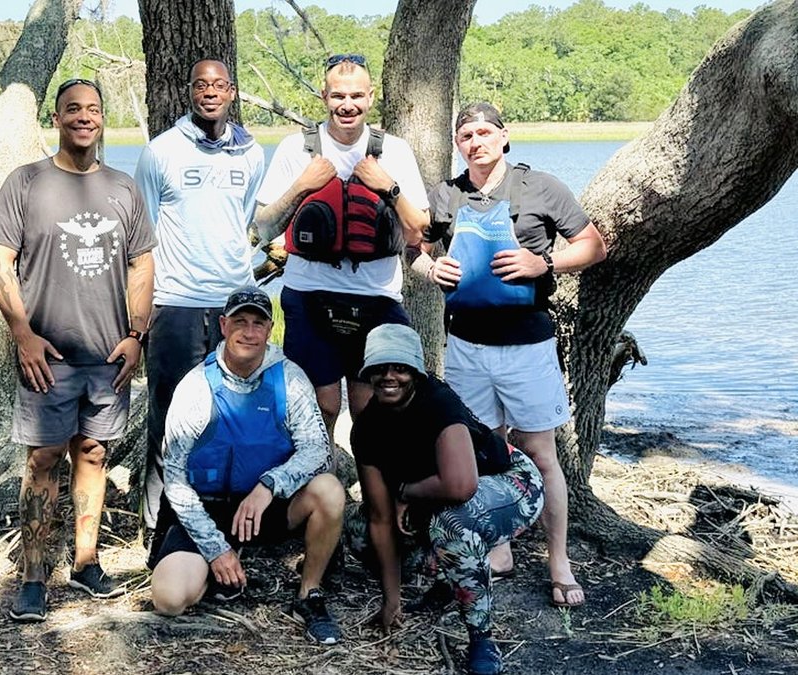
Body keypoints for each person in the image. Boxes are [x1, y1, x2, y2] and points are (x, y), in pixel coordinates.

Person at [412, 101, 607, 608]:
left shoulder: (540, 187)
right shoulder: (447, 194)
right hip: (467, 348)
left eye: (483, 132)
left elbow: (593, 246)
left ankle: (559, 562)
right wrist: (429, 271)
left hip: (528, 346)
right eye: (465, 135)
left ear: (504, 136)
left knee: (541, 453)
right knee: (486, 450)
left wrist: (543, 262)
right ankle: (499, 551)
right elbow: (414, 248)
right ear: (458, 145)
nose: (474, 142)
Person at [0, 78, 156, 622]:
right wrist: (22, 334)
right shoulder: (27, 183)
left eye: (93, 109)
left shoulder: (124, 188)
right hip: (48, 357)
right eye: (73, 109)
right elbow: (0, 262)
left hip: (108, 358)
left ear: (103, 119)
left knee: (94, 454)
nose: (84, 117)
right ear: (56, 119)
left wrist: (136, 334)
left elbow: (142, 263)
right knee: (42, 459)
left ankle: (85, 561)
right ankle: (34, 574)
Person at [150, 285, 346, 645]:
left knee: (329, 491)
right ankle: (221, 567)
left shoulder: (289, 378)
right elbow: (175, 478)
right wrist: (215, 548)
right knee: (169, 599)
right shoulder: (196, 385)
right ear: (223, 326)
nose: (249, 332)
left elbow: (318, 449)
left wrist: (270, 485)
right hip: (207, 509)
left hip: (264, 507)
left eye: (258, 323)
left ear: (270, 329)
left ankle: (310, 594)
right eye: (240, 321)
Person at [253, 53, 430, 440]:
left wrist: (388, 186)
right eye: (337, 96)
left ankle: (374, 498)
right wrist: (303, 184)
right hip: (309, 295)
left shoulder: (394, 151)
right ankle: (320, 492)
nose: (346, 105)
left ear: (370, 97)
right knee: (322, 405)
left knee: (372, 409)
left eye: (355, 96)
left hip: (376, 296)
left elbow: (419, 231)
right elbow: (264, 227)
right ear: (324, 96)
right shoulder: (294, 149)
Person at [352, 324, 545, 675]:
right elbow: (380, 517)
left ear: (415, 371)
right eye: (379, 369)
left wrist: (405, 492)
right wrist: (391, 598)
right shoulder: (366, 427)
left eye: (399, 367)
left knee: (453, 524)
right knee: (356, 527)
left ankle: (481, 637)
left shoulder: (438, 402)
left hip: (511, 482)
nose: (389, 376)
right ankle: (445, 578)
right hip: (437, 494)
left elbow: (460, 486)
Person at [133, 58, 266, 538]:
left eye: (219, 85)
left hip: (232, 301)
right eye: (201, 85)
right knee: (168, 413)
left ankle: (218, 516)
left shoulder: (251, 154)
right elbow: (143, 231)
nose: (210, 92)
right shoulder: (160, 152)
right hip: (176, 301)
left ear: (232, 92)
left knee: (227, 409)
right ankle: (159, 523)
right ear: (190, 92)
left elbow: (244, 219)